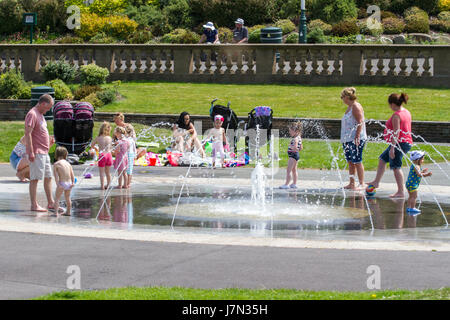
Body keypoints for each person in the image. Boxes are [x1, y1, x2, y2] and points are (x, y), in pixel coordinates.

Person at [367, 93, 413, 198]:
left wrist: (392, 149)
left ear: (392, 104)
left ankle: (401, 192)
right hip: (405, 142)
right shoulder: (406, 112)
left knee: (396, 167)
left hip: (399, 143)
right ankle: (376, 182)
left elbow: (396, 132)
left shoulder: (396, 115)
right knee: (382, 159)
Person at [25, 94, 55, 212]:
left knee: (48, 177)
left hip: (44, 152)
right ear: (43, 104)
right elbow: (28, 134)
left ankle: (51, 202)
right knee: (35, 178)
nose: (48, 110)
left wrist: (49, 141)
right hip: (37, 152)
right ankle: (34, 205)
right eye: (48, 107)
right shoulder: (32, 114)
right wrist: (31, 152)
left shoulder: (41, 115)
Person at [340, 87, 367, 190]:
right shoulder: (350, 107)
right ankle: (351, 183)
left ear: (347, 97)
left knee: (357, 161)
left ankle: (361, 183)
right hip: (347, 139)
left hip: (355, 139)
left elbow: (360, 122)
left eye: (342, 97)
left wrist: (357, 137)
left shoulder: (356, 106)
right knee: (350, 161)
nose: (342, 99)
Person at [405, 151, 432, 215]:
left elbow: (417, 173)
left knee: (411, 196)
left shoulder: (414, 165)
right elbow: (419, 174)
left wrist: (422, 171)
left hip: (409, 184)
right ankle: (412, 208)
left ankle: (409, 207)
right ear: (417, 160)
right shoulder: (416, 166)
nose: (423, 160)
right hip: (413, 184)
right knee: (414, 196)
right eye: (422, 159)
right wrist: (427, 174)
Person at [280, 121, 303, 189]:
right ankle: (294, 183)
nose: (289, 132)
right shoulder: (299, 138)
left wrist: (291, 146)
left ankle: (286, 184)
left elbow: (295, 147)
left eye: (290, 131)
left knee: (288, 170)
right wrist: (297, 149)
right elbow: (301, 147)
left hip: (292, 156)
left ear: (295, 131)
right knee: (294, 170)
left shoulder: (295, 139)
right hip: (296, 155)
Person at [53, 146, 75, 216]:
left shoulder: (56, 164)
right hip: (69, 183)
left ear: (56, 154)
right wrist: (73, 182)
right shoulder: (68, 164)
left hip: (62, 183)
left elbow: (56, 176)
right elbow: (72, 174)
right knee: (68, 198)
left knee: (57, 198)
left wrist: (58, 184)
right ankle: (68, 212)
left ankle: (56, 213)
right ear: (65, 154)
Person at [91, 122, 113, 190]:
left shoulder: (98, 138)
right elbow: (111, 148)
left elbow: (92, 145)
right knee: (108, 172)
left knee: (101, 172)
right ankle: (109, 185)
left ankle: (102, 186)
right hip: (109, 155)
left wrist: (96, 148)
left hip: (102, 155)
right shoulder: (109, 138)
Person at [125, 124, 137, 188]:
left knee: (127, 170)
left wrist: (135, 155)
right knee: (129, 170)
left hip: (129, 155)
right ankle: (127, 183)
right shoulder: (131, 139)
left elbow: (134, 148)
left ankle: (128, 183)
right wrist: (135, 155)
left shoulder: (129, 139)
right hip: (130, 155)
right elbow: (134, 148)